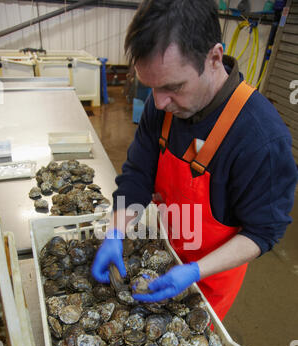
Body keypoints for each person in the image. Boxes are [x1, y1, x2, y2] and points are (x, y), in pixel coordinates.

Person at [92, 0, 297, 321]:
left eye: (173, 87)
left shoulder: (261, 139)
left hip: (210, 277)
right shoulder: (163, 106)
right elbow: (137, 176)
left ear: (214, 57)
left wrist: (194, 271)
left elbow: (264, 231)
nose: (159, 103)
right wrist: (116, 232)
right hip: (163, 249)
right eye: (152, 88)